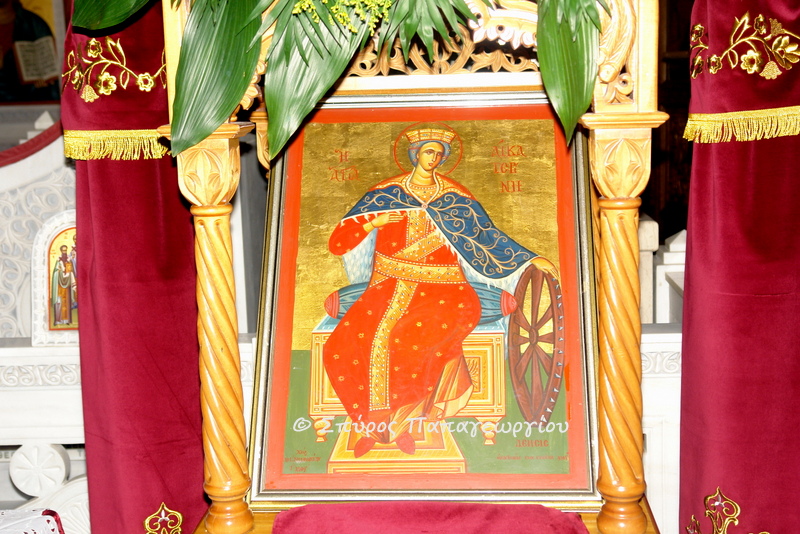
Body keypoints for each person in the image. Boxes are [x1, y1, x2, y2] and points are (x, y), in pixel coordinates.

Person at [322, 128, 557, 458]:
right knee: (345, 343)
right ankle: (373, 427)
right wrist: (374, 223)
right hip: (387, 286)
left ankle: (402, 426)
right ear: (415, 154)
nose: (432, 158)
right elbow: (337, 242)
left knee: (408, 340)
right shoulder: (385, 194)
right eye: (427, 152)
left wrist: (530, 258)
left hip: (445, 290)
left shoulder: (455, 197)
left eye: (438, 153)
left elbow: (488, 236)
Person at [51, 244, 76, 325]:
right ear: (61, 251)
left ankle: (67, 320)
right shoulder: (58, 262)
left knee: (67, 302)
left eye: (65, 250)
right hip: (59, 287)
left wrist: (68, 274)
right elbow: (55, 273)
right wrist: (60, 273)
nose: (64, 252)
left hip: (67, 286)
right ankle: (58, 320)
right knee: (59, 302)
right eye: (63, 251)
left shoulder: (68, 261)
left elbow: (71, 271)